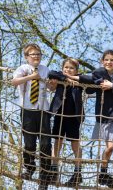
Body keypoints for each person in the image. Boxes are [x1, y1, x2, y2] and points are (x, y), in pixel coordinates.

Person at [66, 50, 113, 188]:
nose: (109, 62)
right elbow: (88, 79)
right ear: (102, 61)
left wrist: (112, 85)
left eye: (112, 60)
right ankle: (103, 172)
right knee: (110, 147)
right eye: (107, 60)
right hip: (105, 116)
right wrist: (70, 77)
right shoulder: (99, 72)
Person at [11, 44, 51, 190]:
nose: (36, 56)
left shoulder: (45, 69)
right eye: (33, 54)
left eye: (38, 54)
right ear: (27, 57)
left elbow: (50, 87)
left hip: (43, 110)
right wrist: (31, 77)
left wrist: (52, 84)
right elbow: (14, 81)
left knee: (46, 144)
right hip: (27, 110)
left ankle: (45, 176)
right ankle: (29, 168)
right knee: (29, 143)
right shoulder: (22, 68)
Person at [48, 58, 84, 187]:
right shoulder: (59, 76)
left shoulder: (80, 79)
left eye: (71, 68)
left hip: (73, 116)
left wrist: (72, 79)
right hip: (59, 114)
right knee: (57, 142)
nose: (68, 70)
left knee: (75, 144)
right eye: (66, 68)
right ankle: (53, 169)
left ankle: (77, 172)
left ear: (76, 70)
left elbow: (90, 79)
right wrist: (65, 78)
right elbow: (51, 73)